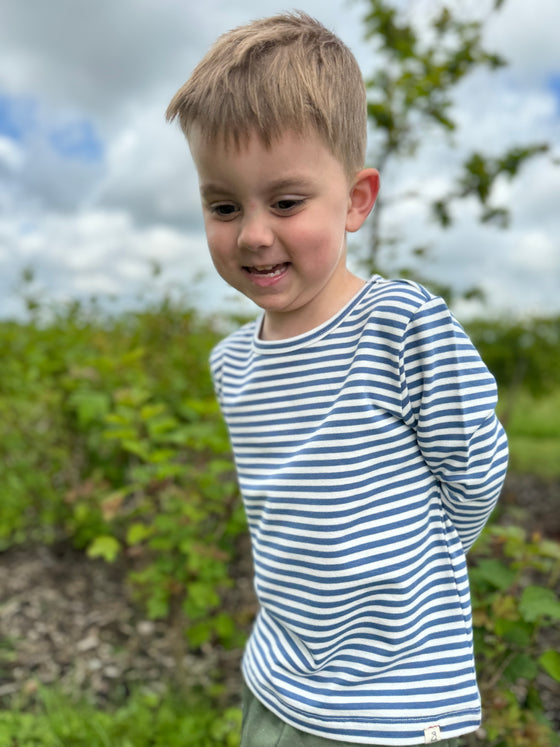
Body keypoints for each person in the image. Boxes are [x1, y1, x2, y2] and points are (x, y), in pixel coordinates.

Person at [166, 11, 508, 746]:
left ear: (355, 200)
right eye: (224, 206)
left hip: (398, 696)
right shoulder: (233, 362)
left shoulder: (400, 325)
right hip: (281, 679)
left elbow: (475, 470)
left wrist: (418, 560)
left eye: (286, 202)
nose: (253, 233)